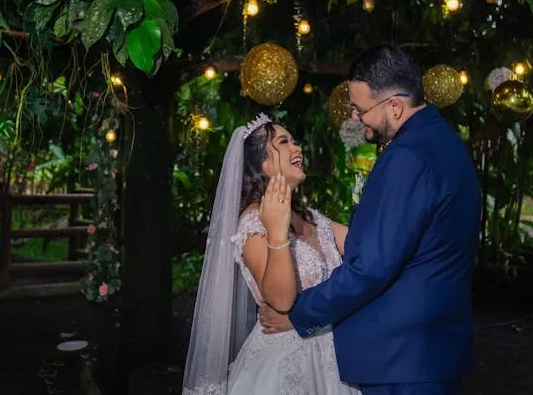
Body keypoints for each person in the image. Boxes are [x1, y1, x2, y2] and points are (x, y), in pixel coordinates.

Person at [258, 45, 482, 395]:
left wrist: (299, 314)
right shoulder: (443, 140)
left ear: (394, 105)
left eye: (360, 109)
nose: (354, 117)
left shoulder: (407, 156)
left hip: (403, 358)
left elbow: (372, 266)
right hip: (430, 348)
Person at [182, 113, 361, 395]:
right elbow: (281, 300)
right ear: (263, 164)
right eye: (284, 142)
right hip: (285, 364)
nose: (298, 148)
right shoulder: (253, 224)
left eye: (294, 141)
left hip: (334, 359)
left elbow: (363, 245)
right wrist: (278, 235)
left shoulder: (310, 216)